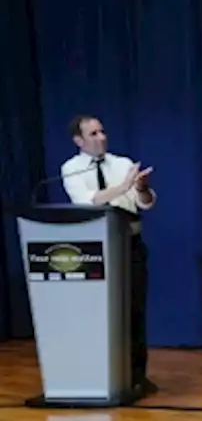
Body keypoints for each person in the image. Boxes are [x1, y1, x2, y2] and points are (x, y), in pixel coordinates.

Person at [61, 115, 157, 396]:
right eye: (92, 133)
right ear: (78, 141)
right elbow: (88, 201)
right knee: (102, 315)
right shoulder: (71, 168)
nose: (101, 137)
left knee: (135, 311)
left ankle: (138, 377)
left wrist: (139, 188)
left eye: (102, 131)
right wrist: (122, 187)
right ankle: (103, 375)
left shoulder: (123, 164)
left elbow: (145, 204)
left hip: (129, 245)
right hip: (95, 251)